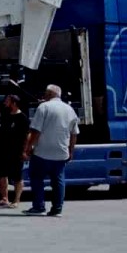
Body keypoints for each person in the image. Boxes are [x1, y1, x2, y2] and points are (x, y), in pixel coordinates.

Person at [23, 84, 79, 217]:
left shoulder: (44, 107)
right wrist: (71, 151)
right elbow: (74, 134)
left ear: (49, 94)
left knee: (37, 178)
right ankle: (57, 209)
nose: (44, 95)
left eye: (45, 93)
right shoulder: (69, 109)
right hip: (61, 152)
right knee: (58, 181)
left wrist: (28, 148)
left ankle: (39, 207)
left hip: (42, 151)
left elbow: (36, 130)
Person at [0, 94, 29, 208]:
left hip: (16, 151)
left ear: (14, 103)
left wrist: (24, 151)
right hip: (3, 150)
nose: (5, 103)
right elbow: (0, 130)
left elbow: (26, 136)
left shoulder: (22, 118)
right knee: (2, 174)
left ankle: (16, 200)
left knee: (17, 176)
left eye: (7, 101)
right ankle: (4, 198)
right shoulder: (6, 115)